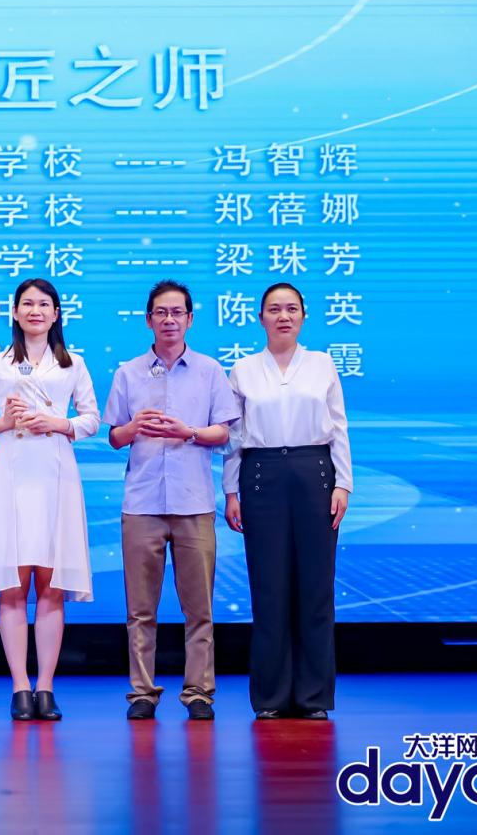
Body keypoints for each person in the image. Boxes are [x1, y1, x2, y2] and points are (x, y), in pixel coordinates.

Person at [102, 280, 240, 721]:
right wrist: (134, 427)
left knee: (199, 608)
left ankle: (199, 692)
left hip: (193, 503)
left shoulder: (210, 371)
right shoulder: (128, 373)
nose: (169, 320)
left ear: (190, 319)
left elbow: (225, 433)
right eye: (160, 312)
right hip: (142, 503)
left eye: (177, 312)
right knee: (140, 610)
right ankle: (142, 692)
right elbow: (114, 436)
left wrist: (189, 432)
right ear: (148, 320)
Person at [0, 279, 99, 721]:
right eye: (27, 304)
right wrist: (4, 423)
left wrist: (58, 423)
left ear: (57, 313)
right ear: (15, 312)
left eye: (44, 304)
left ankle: (46, 686)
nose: (36, 311)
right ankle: (20, 687)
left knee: (51, 584)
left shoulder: (73, 364)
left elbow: (92, 419)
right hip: (11, 473)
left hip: (55, 474)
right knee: (13, 584)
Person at [223, 282, 352, 720]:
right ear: (260, 317)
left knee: (316, 588)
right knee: (269, 587)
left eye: (291, 309)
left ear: (303, 316)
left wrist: (344, 484)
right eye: (274, 309)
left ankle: (314, 697)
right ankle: (271, 698)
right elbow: (234, 437)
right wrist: (230, 491)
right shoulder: (243, 369)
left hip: (315, 474)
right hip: (261, 476)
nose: (283, 316)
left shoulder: (322, 364)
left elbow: (339, 427)